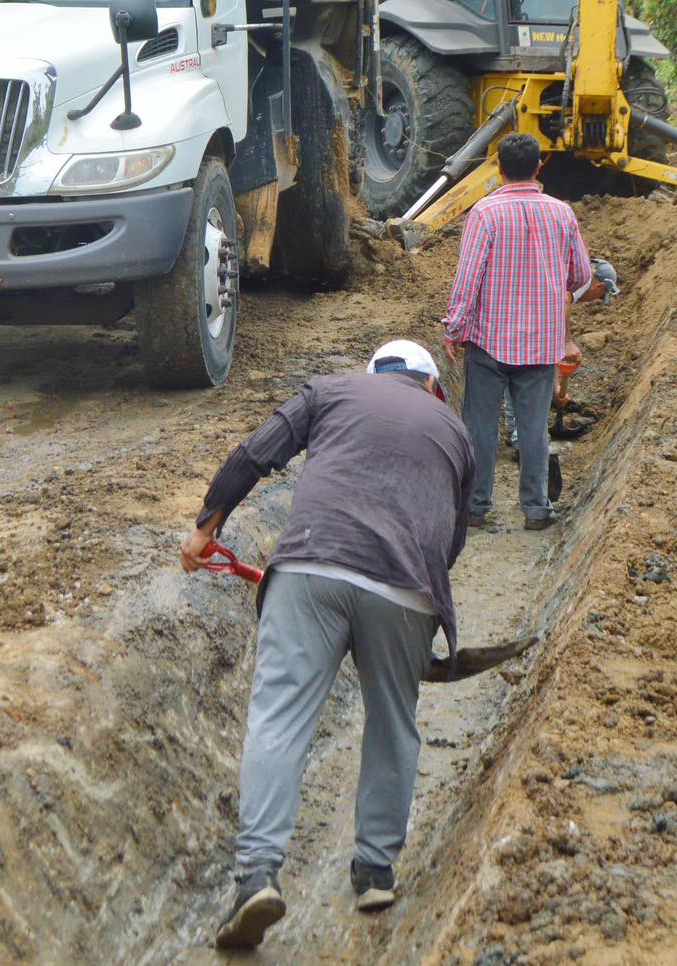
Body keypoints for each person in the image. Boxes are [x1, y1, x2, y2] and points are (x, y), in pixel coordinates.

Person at [182, 340, 475, 950]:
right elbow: (452, 537)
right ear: (429, 385)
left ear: (374, 374)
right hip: (407, 589)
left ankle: (257, 875)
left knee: (279, 718)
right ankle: (375, 872)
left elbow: (255, 453)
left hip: (311, 564)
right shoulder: (453, 428)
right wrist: (420, 608)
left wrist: (206, 528)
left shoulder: (332, 390)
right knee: (393, 722)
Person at [442, 134, 594, 531]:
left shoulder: (485, 213)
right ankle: (536, 509)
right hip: (542, 344)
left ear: (499, 167)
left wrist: (455, 327)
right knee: (532, 428)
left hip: (489, 341)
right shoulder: (562, 214)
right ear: (540, 166)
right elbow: (581, 276)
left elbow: (468, 278)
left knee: (479, 427)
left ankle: (475, 507)